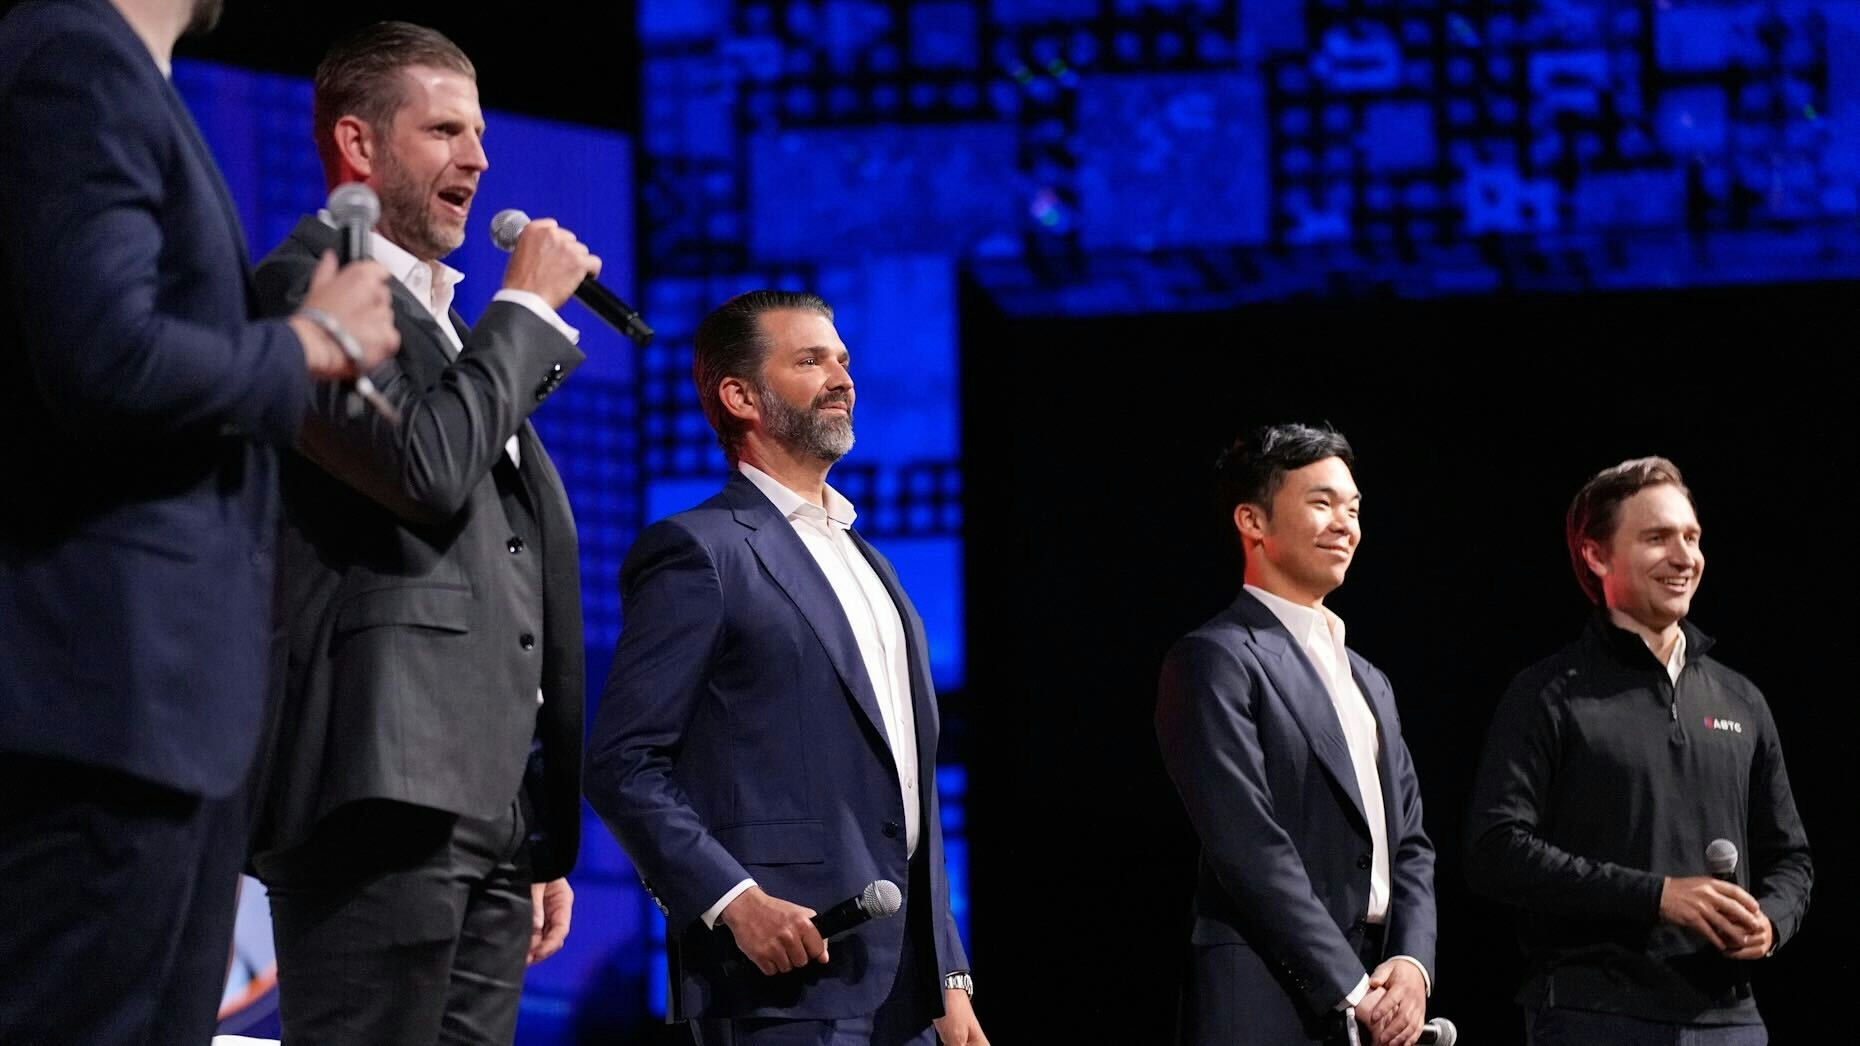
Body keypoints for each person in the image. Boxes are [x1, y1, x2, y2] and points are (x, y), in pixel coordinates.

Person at [0, 0, 397, 1039]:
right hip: (106, 702)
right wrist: (305, 343)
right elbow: (105, 357)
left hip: (161, 715)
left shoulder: (110, 71)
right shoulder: (73, 62)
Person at [244, 21, 598, 1045]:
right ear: (360, 146)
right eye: (445, 130)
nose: (480, 159)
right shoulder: (302, 286)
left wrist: (523, 815)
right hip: (379, 793)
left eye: (479, 133)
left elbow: (517, 557)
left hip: (484, 810)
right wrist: (526, 304)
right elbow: (423, 470)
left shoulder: (447, 321)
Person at [586, 290, 987, 1046]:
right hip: (781, 977)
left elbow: (906, 786)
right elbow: (622, 764)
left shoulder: (871, 563)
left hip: (907, 991)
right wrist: (734, 901)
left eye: (842, 360)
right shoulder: (699, 551)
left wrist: (950, 979)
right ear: (740, 396)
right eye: (810, 360)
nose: (842, 378)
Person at [1464, 456, 1812, 1044]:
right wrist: (1657, 896)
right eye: (1657, 538)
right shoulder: (1547, 692)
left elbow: (1792, 860)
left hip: (1729, 1018)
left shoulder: (1741, 698)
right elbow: (1495, 850)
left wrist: (1770, 923)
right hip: (1593, 1011)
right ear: (1597, 555)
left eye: (1692, 537)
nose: (1684, 557)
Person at [1156, 423, 1437, 1046]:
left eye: (1354, 508)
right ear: (1253, 522)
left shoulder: (1370, 680)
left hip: (1379, 991)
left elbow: (1411, 844)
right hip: (1265, 986)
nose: (1345, 524)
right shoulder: (1215, 657)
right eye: (1321, 503)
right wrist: (1354, 988)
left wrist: (1412, 969)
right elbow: (1247, 843)